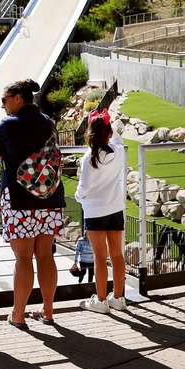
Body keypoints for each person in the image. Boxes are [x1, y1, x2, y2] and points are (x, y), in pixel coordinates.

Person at [0, 79, 67, 329]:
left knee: (23, 258)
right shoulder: (48, 122)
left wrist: (6, 153)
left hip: (19, 199)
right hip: (49, 197)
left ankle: (18, 315)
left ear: (18, 98)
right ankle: (48, 311)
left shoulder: (9, 124)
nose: (3, 105)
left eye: (4, 100)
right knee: (45, 255)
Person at [75, 109, 128, 312]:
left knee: (99, 257)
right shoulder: (118, 151)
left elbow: (84, 188)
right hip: (115, 208)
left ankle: (101, 300)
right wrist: (108, 123)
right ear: (108, 133)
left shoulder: (88, 158)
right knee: (117, 255)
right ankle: (119, 298)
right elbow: (117, 137)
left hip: (95, 211)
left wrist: (79, 198)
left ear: (90, 134)